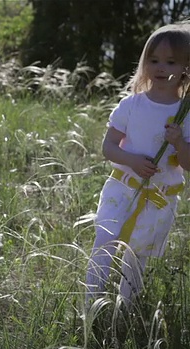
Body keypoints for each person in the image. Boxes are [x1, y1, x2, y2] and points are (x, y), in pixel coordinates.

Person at [85, 23, 190, 309]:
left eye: (171, 61)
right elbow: (108, 147)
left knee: (137, 252)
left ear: (186, 68)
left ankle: (125, 310)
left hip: (158, 198)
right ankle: (89, 304)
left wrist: (180, 142)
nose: (161, 67)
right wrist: (131, 160)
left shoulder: (185, 115)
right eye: (154, 60)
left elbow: (187, 164)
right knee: (104, 241)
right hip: (122, 189)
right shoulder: (131, 105)